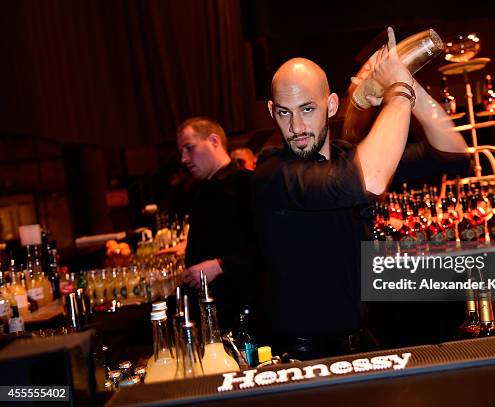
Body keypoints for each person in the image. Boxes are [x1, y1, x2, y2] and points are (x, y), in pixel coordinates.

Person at [251, 27, 468, 360]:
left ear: (332, 105)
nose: (296, 127)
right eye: (284, 112)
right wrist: (397, 91)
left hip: (362, 345)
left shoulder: (347, 156)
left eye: (307, 109)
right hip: (301, 356)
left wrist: (407, 81)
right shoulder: (271, 173)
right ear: (271, 112)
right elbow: (373, 179)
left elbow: (452, 154)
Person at [175, 117, 258, 331]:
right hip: (210, 312)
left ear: (213, 141)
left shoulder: (247, 183)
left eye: (189, 148)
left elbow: (265, 247)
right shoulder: (202, 189)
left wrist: (220, 265)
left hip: (241, 313)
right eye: (181, 151)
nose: (184, 158)